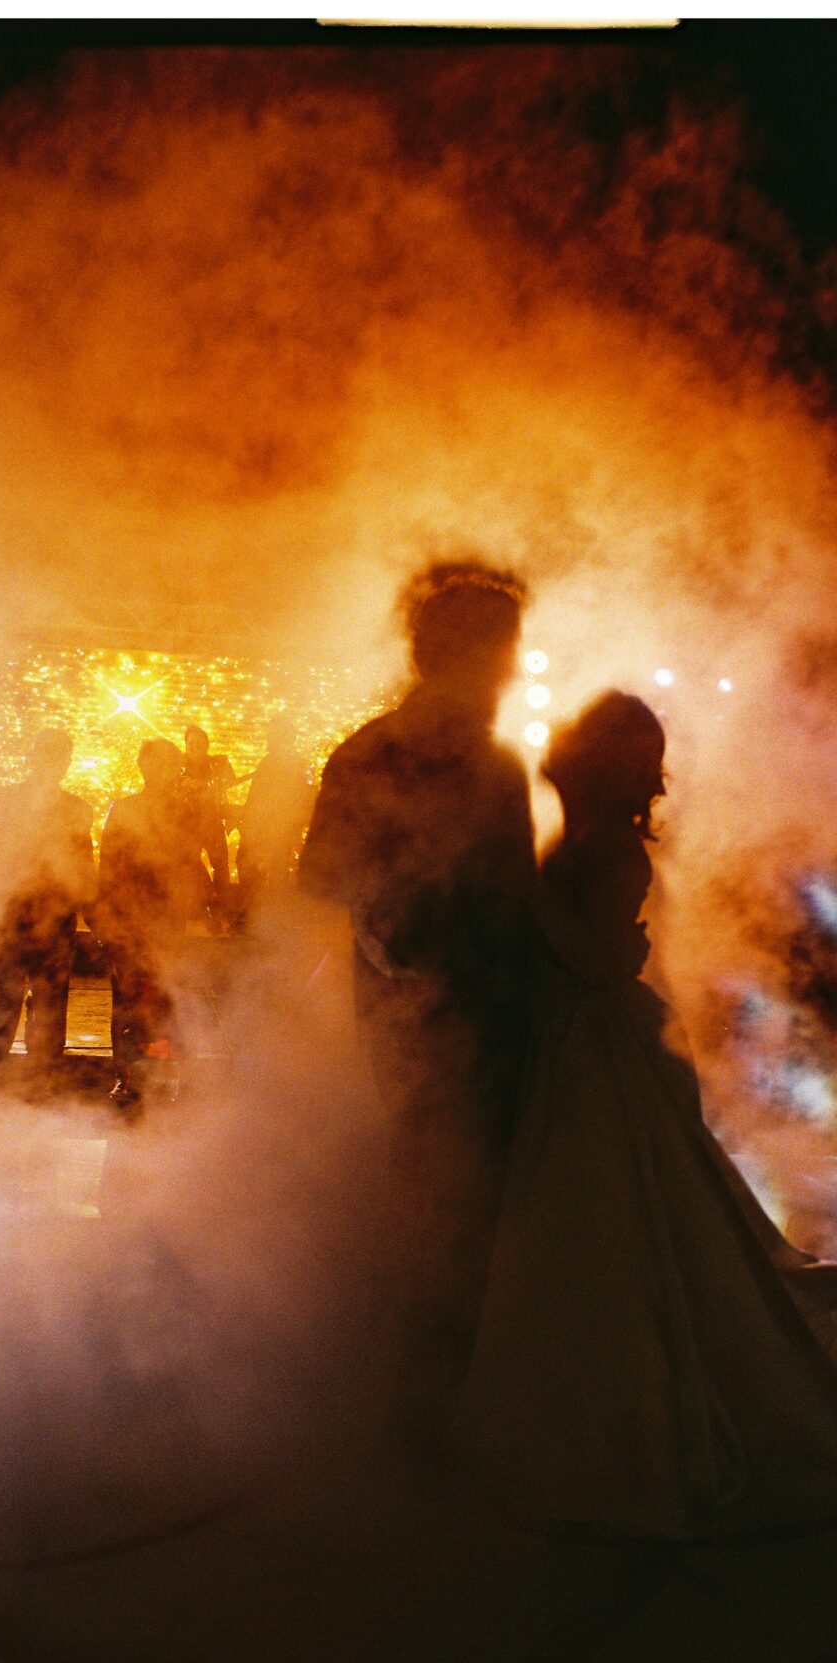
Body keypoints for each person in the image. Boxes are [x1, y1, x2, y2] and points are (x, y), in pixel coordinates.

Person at [452, 692, 837, 1540]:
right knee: (600, 1226)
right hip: (577, 1048)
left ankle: (636, 1410)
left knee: (627, 1224)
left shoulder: (615, 853)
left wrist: (525, 902)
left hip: (601, 1051)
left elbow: (603, 963)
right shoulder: (581, 841)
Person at [299, 562, 538, 1386]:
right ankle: (430, 1371)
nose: (511, 670)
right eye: (503, 650)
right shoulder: (479, 766)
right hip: (454, 1011)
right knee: (452, 1191)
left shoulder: (370, 753)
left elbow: (321, 877)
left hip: (424, 1006)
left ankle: (414, 1367)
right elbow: (518, 902)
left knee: (433, 1185)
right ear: (469, 654)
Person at [0, 727, 95, 1085]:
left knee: (47, 1005)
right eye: (50, 755)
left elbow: (82, 864)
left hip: (50, 918)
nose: (56, 764)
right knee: (0, 1001)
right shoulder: (7, 802)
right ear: (34, 758)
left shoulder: (76, 809)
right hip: (11, 917)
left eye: (61, 757)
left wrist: (93, 911)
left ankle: (37, 1080)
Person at [95, 737, 193, 1106]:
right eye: (155, 763)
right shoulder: (123, 809)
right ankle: (126, 1077)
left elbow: (188, 863)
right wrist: (108, 914)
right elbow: (108, 865)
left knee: (164, 999)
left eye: (170, 764)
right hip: (129, 920)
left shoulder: (184, 812)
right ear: (143, 766)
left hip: (166, 922)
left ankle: (164, 1077)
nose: (163, 771)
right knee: (127, 1000)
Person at [234, 713, 313, 924]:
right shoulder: (270, 762)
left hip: (277, 830)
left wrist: (287, 827)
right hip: (262, 829)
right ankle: (256, 918)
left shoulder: (296, 764)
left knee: (275, 874)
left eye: (273, 733)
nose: (269, 737)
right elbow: (256, 797)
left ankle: (268, 921)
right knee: (252, 867)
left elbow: (302, 797)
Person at [180, 724, 231, 929]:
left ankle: (221, 911)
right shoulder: (178, 765)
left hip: (212, 822)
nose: (194, 747)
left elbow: (230, 780)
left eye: (199, 743)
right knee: (190, 863)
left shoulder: (218, 762)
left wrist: (208, 785)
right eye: (190, 743)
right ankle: (207, 904)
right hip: (188, 825)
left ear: (207, 745)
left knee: (221, 866)